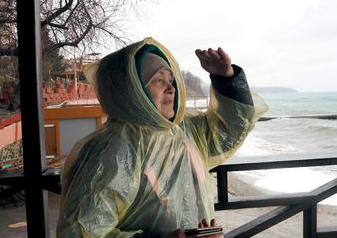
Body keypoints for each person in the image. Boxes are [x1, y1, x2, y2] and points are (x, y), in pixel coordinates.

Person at [57, 37, 266, 238]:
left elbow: (229, 129)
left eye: (171, 80)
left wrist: (226, 77)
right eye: (158, 80)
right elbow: (81, 232)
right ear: (131, 90)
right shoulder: (109, 152)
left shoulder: (182, 131)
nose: (171, 88)